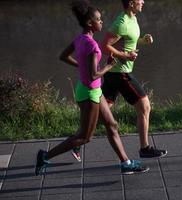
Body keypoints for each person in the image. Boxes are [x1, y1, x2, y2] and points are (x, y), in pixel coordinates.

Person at [34, 0, 149, 176]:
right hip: (89, 93)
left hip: (91, 90)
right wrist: (109, 66)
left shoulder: (81, 39)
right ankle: (45, 155)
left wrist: (81, 65)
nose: (102, 22)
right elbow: (93, 75)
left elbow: (63, 56)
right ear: (90, 23)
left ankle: (126, 163)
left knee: (112, 124)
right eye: (98, 19)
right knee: (84, 137)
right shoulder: (93, 46)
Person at [71, 0, 167, 161]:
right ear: (130, 3)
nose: (143, 1)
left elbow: (129, 40)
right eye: (139, 0)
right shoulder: (121, 22)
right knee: (145, 106)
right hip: (119, 72)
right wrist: (126, 56)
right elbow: (104, 46)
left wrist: (143, 40)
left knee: (102, 112)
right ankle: (145, 148)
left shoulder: (133, 18)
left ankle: (78, 141)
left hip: (114, 73)